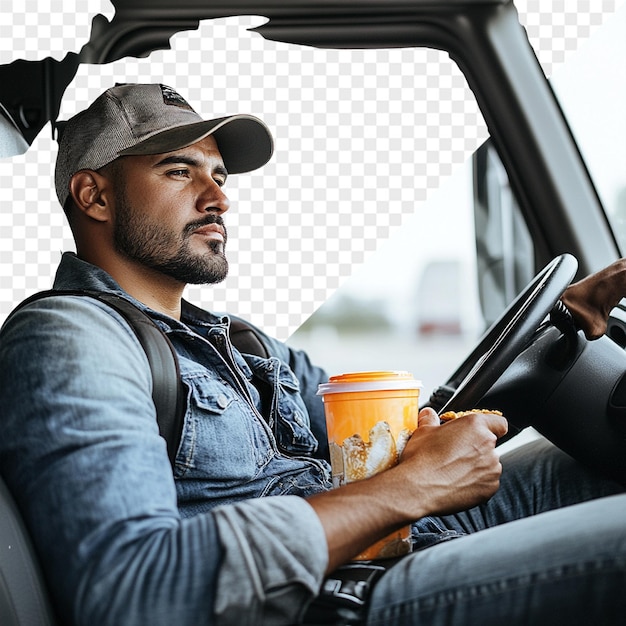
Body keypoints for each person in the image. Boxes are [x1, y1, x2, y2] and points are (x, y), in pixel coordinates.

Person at [0, 83, 625, 626]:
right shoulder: (70, 337)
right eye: (177, 170)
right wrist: (408, 490)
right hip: (327, 602)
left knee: (602, 466)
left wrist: (558, 325)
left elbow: (397, 436)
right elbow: (134, 593)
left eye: (218, 176)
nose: (217, 198)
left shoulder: (237, 342)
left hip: (394, 543)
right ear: (95, 196)